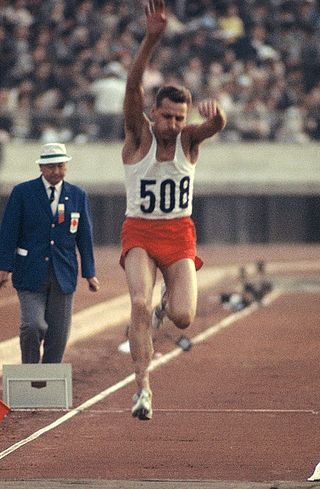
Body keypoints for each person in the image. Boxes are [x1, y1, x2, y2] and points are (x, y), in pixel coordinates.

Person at [120, 0, 226, 420]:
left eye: (180, 117)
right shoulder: (139, 137)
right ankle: (142, 388)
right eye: (167, 117)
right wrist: (151, 39)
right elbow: (132, 90)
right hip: (141, 232)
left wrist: (217, 118)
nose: (174, 124)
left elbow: (213, 127)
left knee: (182, 317)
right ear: (153, 115)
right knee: (140, 305)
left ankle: (169, 295)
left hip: (179, 233)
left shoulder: (189, 141)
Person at [0, 142, 100, 364]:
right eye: (51, 166)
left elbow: (85, 235)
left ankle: (48, 380)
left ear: (66, 167)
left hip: (63, 273)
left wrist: (89, 273)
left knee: (58, 334)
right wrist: (4, 267)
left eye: (60, 166)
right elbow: (8, 232)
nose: (56, 171)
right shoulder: (22, 193)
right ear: (41, 168)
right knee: (32, 326)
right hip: (29, 271)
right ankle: (30, 370)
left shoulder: (77, 195)